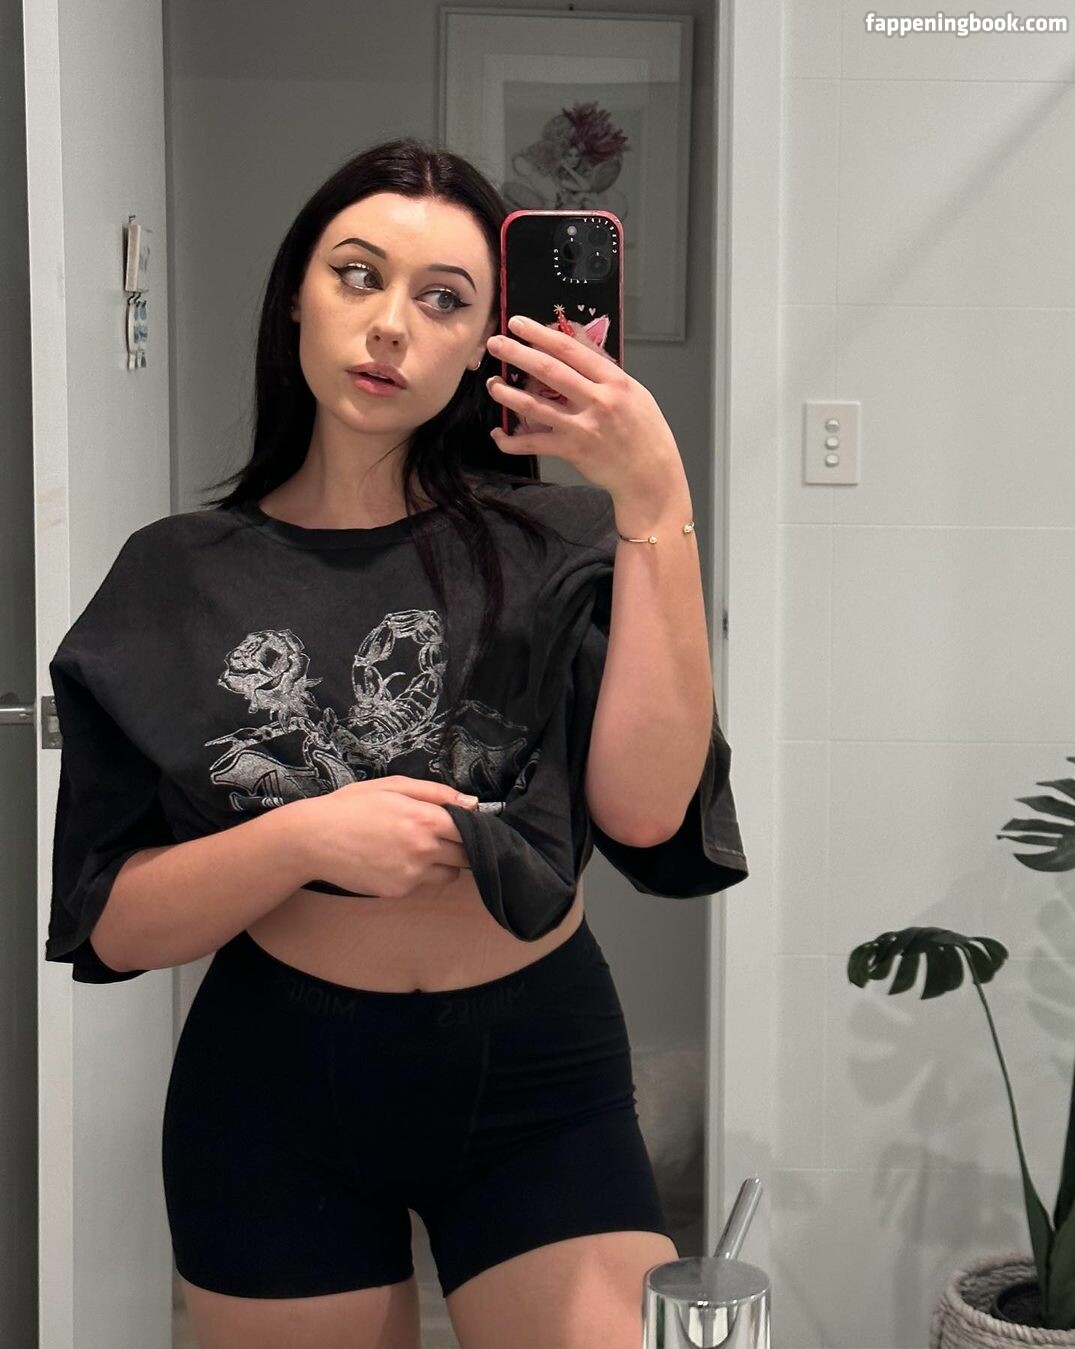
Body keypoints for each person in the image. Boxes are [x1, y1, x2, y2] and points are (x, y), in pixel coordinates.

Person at [45, 136, 749, 1349]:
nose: (390, 325)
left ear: (485, 344)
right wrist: (306, 839)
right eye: (359, 274)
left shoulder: (564, 539)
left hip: (539, 1072)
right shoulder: (175, 576)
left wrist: (654, 496)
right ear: (297, 296)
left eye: (444, 299)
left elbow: (644, 809)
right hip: (276, 1086)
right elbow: (112, 922)